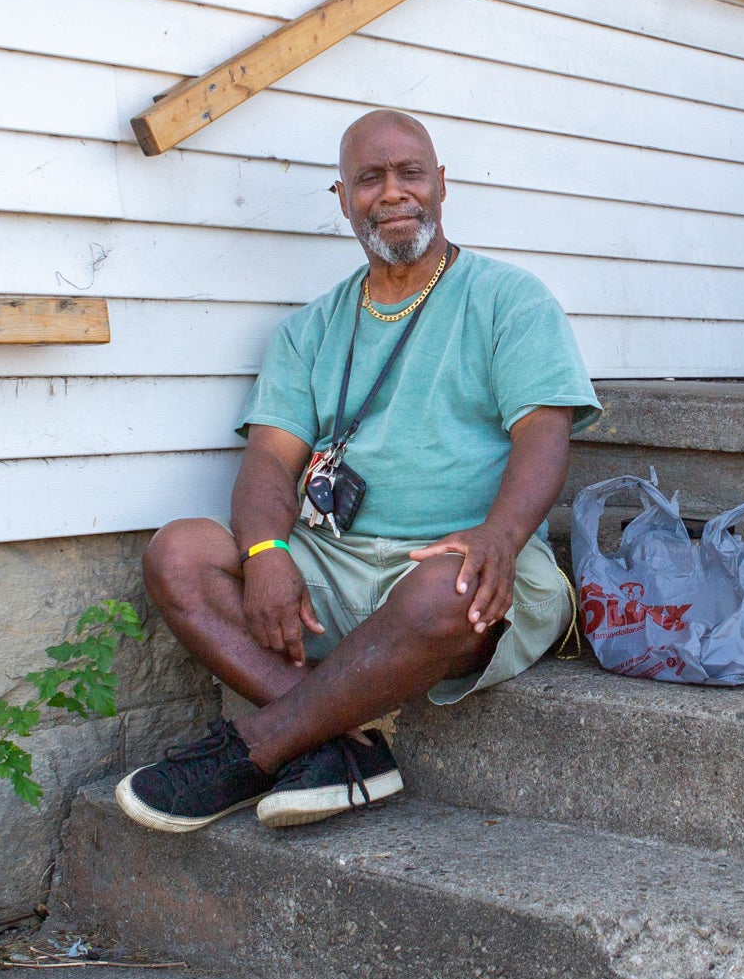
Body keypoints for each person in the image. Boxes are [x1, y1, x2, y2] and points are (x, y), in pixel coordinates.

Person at [119, 110, 599, 832]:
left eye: (411, 172)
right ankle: (348, 743)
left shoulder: (511, 299)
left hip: (462, 560)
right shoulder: (308, 328)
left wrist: (500, 534)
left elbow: (543, 433)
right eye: (371, 178)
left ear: (442, 184)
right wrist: (265, 550)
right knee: (179, 552)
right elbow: (268, 461)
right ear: (343, 198)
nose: (394, 192)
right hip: (334, 562)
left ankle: (259, 744)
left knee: (449, 588)